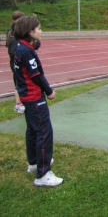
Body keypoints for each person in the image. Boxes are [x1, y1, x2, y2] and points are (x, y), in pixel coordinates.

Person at [13, 15, 63, 187]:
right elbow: (36, 75)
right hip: (34, 97)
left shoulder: (20, 47)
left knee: (33, 131)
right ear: (30, 31)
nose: (41, 31)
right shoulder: (26, 51)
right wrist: (49, 91)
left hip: (27, 96)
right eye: (39, 28)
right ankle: (43, 174)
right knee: (44, 132)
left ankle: (34, 163)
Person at [6, 11, 26, 113]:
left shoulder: (15, 32)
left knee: (19, 81)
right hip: (16, 62)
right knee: (19, 82)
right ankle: (18, 104)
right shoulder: (13, 33)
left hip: (16, 61)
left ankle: (20, 102)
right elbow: (12, 51)